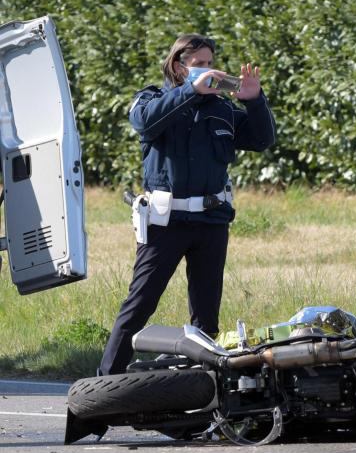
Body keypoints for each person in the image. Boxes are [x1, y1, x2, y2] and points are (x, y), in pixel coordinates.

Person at [99, 34, 276, 375]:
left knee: (206, 314)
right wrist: (190, 92)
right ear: (180, 67)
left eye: (211, 64)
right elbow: (145, 123)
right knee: (140, 305)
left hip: (211, 223)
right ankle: (105, 383)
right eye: (199, 65)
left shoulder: (223, 109)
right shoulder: (151, 99)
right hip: (165, 223)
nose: (208, 71)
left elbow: (262, 139)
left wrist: (255, 101)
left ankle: (205, 392)